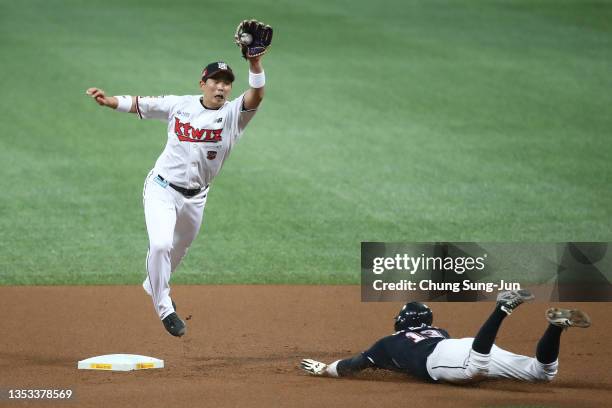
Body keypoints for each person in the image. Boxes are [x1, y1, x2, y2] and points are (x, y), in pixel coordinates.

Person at [85, 20, 273, 337]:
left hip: (197, 198)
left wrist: (255, 63)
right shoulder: (179, 105)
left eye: (227, 83)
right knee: (159, 246)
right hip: (161, 189)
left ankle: (154, 281)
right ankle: (165, 308)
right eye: (215, 80)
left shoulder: (233, 116)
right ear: (203, 83)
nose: (221, 87)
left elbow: (256, 96)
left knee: (175, 253)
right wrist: (109, 101)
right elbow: (140, 104)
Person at [301, 290, 591, 383]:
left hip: (446, 357)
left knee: (475, 369)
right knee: (542, 373)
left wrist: (325, 369)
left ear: (401, 322)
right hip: (460, 343)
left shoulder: (387, 343)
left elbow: (353, 364)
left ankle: (501, 308)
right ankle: (556, 325)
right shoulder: (438, 330)